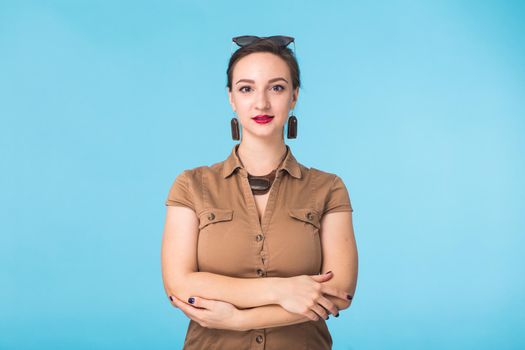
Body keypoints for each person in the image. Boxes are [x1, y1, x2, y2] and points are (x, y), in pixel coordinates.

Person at [161, 35, 358, 350]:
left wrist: (238, 320)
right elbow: (180, 286)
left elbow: (339, 292)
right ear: (231, 98)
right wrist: (282, 291)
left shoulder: (328, 188)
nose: (262, 103)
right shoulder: (191, 185)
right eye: (246, 88)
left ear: (294, 96)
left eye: (277, 87)